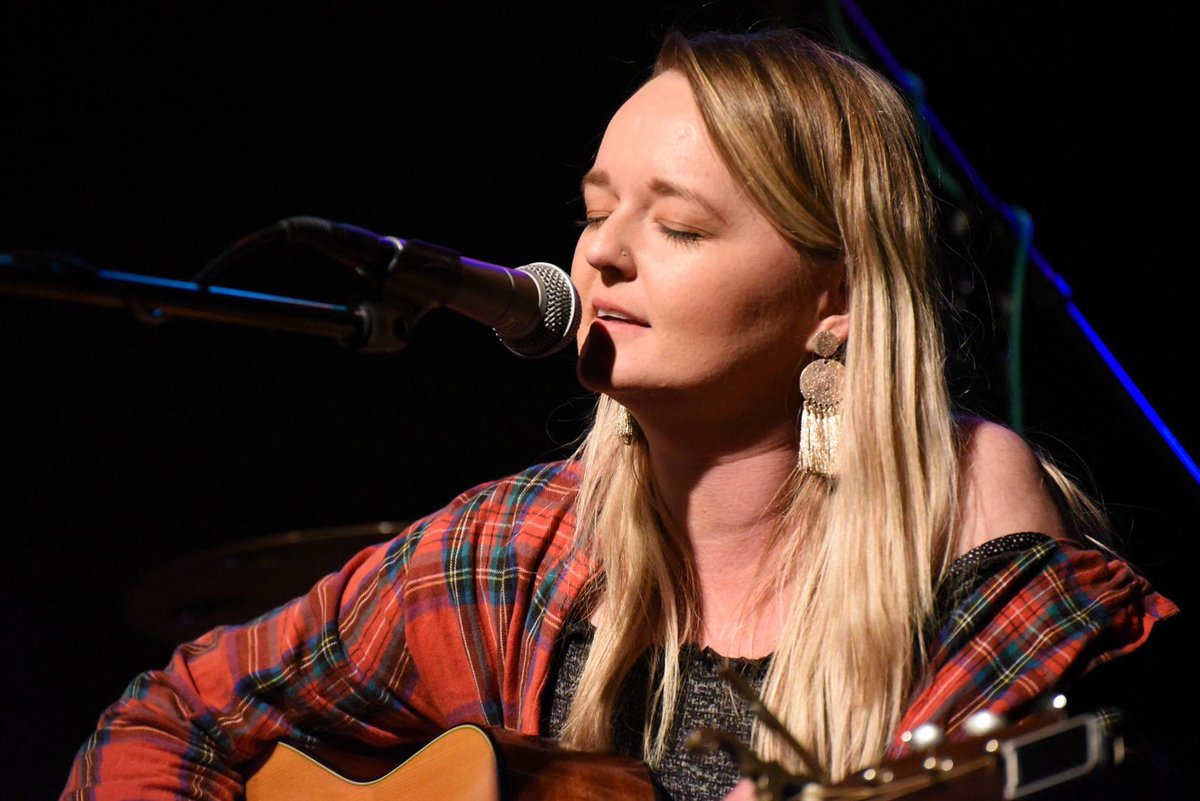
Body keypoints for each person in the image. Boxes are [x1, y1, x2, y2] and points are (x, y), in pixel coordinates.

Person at [61, 30, 1176, 801]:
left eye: (679, 227)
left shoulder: (968, 505)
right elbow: (172, 719)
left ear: (832, 303)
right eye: (598, 212)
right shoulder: (516, 552)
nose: (599, 253)